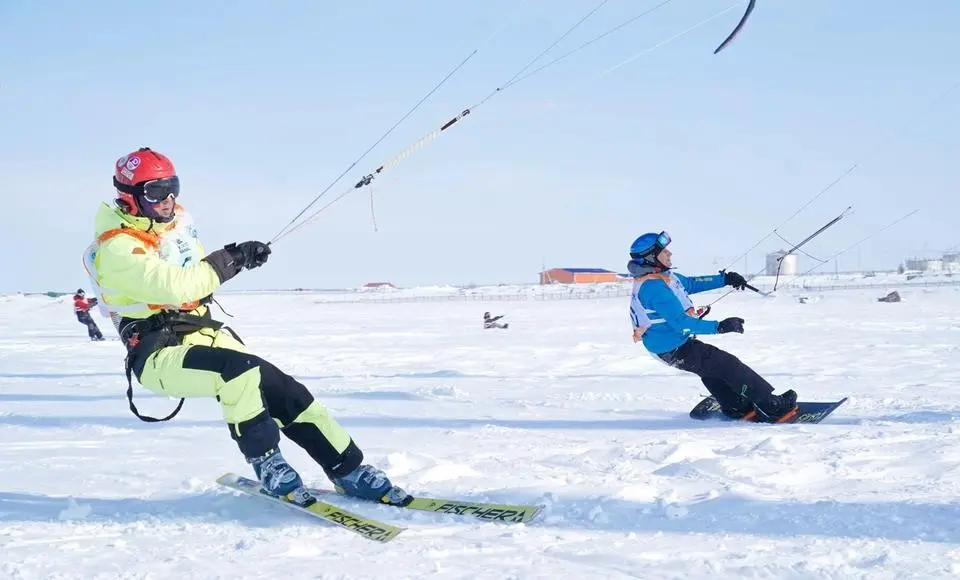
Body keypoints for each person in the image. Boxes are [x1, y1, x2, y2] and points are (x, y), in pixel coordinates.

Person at [83, 146, 409, 506]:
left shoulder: (174, 224)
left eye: (173, 187)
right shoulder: (117, 248)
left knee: (284, 389)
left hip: (200, 334)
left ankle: (348, 470)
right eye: (156, 192)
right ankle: (268, 464)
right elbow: (176, 286)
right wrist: (233, 259)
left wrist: (237, 255)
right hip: (158, 353)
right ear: (129, 198)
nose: (168, 200)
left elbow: (192, 266)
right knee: (236, 373)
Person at [627, 231, 798, 423]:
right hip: (672, 347)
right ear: (651, 258)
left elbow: (690, 284)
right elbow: (682, 323)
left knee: (712, 367)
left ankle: (735, 405)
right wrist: (721, 327)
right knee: (727, 364)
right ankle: (771, 406)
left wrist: (725, 279)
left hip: (669, 345)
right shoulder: (655, 288)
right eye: (664, 252)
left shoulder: (662, 278)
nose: (670, 254)